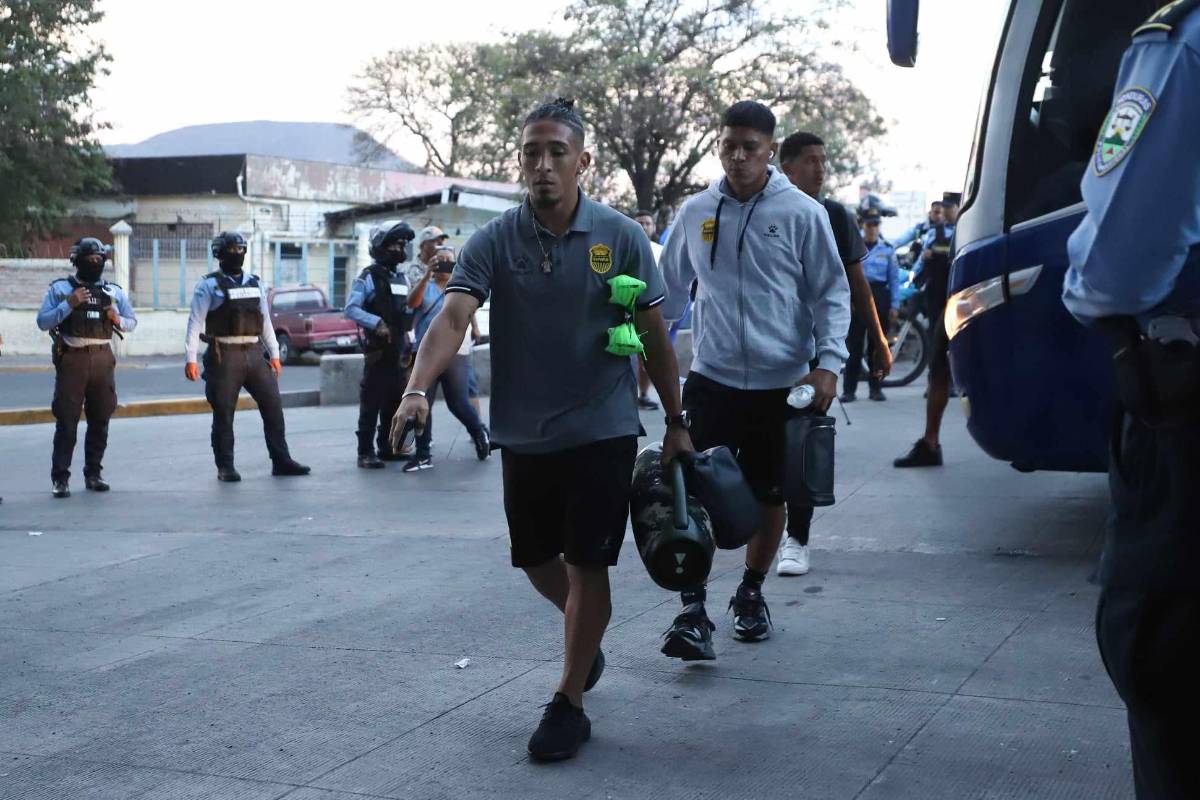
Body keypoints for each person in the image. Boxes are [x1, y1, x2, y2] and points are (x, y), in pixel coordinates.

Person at [393, 98, 690, 762]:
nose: (544, 165)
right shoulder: (495, 240)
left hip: (602, 428)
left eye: (558, 152)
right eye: (532, 152)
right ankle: (586, 638)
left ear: (583, 162)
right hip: (524, 432)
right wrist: (416, 389)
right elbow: (452, 317)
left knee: (588, 561)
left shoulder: (621, 236)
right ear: (520, 161)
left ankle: (568, 702)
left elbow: (653, 334)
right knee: (534, 558)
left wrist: (676, 420)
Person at [1062, 3, 1200, 796]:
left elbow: (1119, 267)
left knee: (1163, 656)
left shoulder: (1181, 43)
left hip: (1185, 431)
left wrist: (1076, 278)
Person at [659, 101, 851, 657]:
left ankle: (750, 593)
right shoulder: (696, 211)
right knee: (692, 493)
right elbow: (666, 296)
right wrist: (642, 356)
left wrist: (829, 364)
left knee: (770, 494)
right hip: (712, 378)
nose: (739, 157)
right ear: (718, 146)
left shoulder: (802, 213)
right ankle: (692, 610)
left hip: (782, 382)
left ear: (770, 150)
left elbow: (830, 293)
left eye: (750, 147)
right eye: (729, 146)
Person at [776, 130, 890, 575]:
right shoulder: (760, 210)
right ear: (786, 167)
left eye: (823, 160)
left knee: (805, 441)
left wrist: (878, 340)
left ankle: (797, 537)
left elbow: (857, 283)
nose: (821, 168)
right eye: (811, 160)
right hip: (763, 351)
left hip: (813, 353)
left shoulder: (835, 215)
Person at [184, 232, 310, 482]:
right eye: (232, 249)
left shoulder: (255, 283)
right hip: (224, 354)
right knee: (224, 413)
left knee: (273, 406)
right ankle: (225, 466)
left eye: (241, 249)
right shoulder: (208, 285)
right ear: (219, 254)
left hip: (254, 352)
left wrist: (274, 354)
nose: (237, 254)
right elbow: (195, 322)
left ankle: (281, 460)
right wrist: (191, 358)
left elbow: (265, 322)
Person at [36, 237, 137, 498]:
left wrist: (118, 319)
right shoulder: (60, 289)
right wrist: (69, 303)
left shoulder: (113, 292)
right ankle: (60, 479)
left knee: (100, 418)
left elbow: (132, 321)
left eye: (98, 258)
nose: (94, 262)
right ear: (77, 260)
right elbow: (43, 321)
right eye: (89, 258)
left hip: (102, 358)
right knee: (67, 420)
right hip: (73, 359)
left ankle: (94, 474)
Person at [404, 241, 491, 471]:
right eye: (439, 260)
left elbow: (469, 308)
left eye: (448, 260)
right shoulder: (427, 286)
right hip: (426, 351)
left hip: (455, 350)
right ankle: (422, 454)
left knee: (458, 402)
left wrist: (474, 327)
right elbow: (412, 302)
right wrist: (426, 275)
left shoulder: (459, 285)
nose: (443, 264)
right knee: (421, 401)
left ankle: (480, 433)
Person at [344, 220, 417, 468]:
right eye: (393, 245)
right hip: (378, 349)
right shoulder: (368, 276)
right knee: (371, 402)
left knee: (396, 400)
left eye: (401, 245)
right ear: (380, 247)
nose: (398, 249)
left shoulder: (403, 278)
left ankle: (388, 447)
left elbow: (409, 310)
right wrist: (376, 323)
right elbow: (351, 309)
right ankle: (365, 453)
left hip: (401, 349)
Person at [893, 194, 959, 467]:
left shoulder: (962, 232)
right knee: (938, 363)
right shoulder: (932, 234)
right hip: (942, 303)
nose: (944, 213)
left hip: (959, 302)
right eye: (941, 209)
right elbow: (919, 262)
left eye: (948, 209)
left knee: (942, 362)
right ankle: (930, 442)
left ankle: (931, 442)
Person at [842, 209, 900, 403]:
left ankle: (876, 388)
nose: (872, 229)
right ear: (863, 225)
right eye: (869, 225)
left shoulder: (887, 249)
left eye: (876, 225)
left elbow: (894, 280)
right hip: (858, 296)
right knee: (854, 346)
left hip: (880, 296)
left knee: (878, 346)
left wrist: (894, 305)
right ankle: (849, 390)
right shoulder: (854, 245)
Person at [633, 209, 664, 410]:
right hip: (630, 310)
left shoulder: (661, 250)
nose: (644, 227)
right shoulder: (625, 246)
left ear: (653, 227)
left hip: (657, 310)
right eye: (640, 223)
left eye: (647, 223)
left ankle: (644, 395)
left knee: (652, 355)